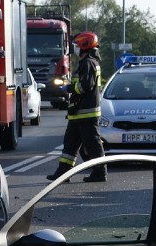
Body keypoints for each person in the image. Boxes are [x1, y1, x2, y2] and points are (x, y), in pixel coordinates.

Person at [46, 31, 107, 183]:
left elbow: (86, 86)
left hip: (86, 113)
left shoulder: (89, 63)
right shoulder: (85, 63)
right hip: (78, 113)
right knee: (70, 145)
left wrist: (69, 89)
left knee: (92, 145)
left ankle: (100, 172)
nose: (75, 49)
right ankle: (63, 173)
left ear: (85, 46)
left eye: (76, 46)